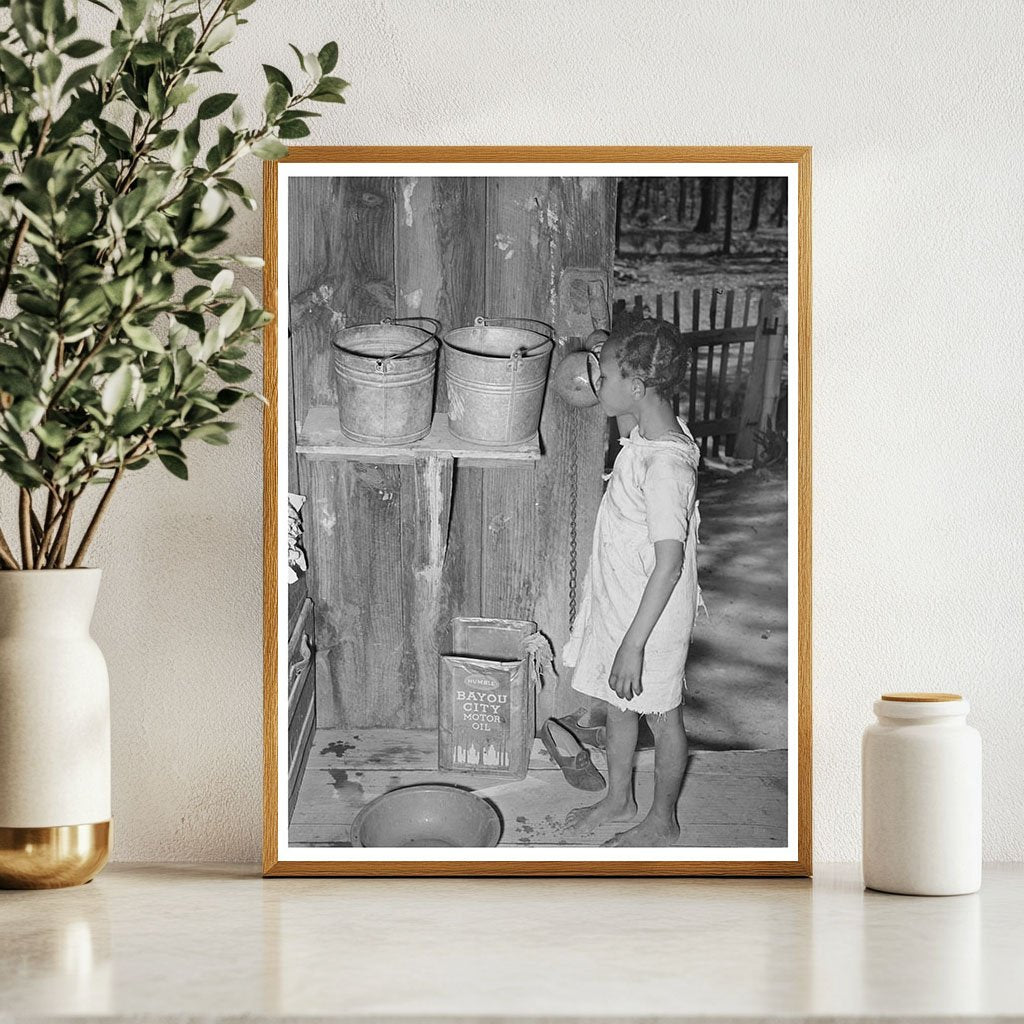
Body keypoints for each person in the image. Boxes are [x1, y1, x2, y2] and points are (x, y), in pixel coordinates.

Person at [561, 318, 701, 846]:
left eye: (606, 373)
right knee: (620, 706)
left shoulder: (667, 468)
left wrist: (633, 646)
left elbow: (668, 564)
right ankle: (620, 798)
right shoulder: (648, 431)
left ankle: (663, 820)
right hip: (626, 599)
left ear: (637, 388)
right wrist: (608, 351)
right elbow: (628, 428)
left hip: (653, 618)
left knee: (662, 718)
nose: (597, 381)